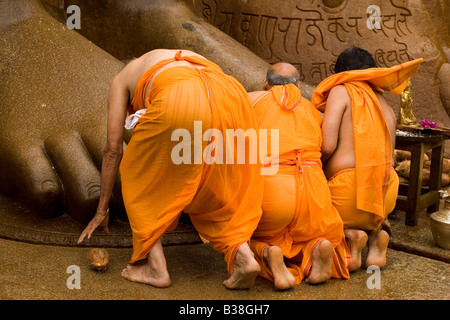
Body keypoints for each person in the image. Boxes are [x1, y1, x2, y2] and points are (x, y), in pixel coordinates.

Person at [78, 49, 264, 289]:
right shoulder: (168, 58)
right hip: (232, 96)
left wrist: (101, 210)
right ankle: (244, 257)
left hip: (181, 93)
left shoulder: (121, 78)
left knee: (137, 174)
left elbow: (113, 149)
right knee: (216, 187)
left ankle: (156, 268)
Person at [311, 47, 423, 269]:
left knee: (307, 208)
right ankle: (375, 236)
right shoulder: (384, 104)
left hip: (348, 192)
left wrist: (318, 173)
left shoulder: (341, 91)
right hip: (384, 194)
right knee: (371, 215)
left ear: (341, 73)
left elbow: (327, 145)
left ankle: (349, 236)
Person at [247, 63, 351, 290]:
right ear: (299, 85)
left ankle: (267, 252)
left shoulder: (251, 100)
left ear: (266, 83)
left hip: (273, 189)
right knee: (305, 233)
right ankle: (316, 246)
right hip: (314, 193)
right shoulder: (312, 110)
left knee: (240, 232)